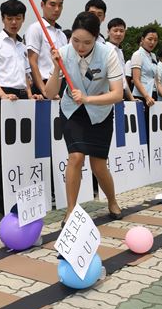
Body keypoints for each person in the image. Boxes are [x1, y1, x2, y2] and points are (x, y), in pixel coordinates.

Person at [45, 11, 124, 221]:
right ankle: (71, 210)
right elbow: (49, 93)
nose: (80, 47)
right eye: (76, 40)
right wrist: (55, 68)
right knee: (76, 157)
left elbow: (117, 94)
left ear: (97, 38)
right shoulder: (63, 52)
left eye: (87, 42)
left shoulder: (108, 54)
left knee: (98, 164)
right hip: (72, 110)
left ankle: (112, 200)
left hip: (100, 111)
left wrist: (88, 99)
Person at [0, 0, 41, 101]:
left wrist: (30, 95)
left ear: (23, 19)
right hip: (3, 94)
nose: (14, 22)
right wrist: (2, 95)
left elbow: (25, 75)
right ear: (2, 19)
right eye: (9, 19)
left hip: (22, 96)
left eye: (18, 18)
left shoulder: (23, 47)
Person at [25, 0, 68, 98]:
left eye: (60, 5)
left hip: (60, 85)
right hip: (43, 85)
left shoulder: (62, 35)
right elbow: (32, 62)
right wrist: (44, 91)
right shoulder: (35, 28)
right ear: (42, 5)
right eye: (52, 4)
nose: (57, 9)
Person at [105, 17, 134, 101]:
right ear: (108, 32)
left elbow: (123, 79)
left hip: (122, 94)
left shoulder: (120, 52)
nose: (118, 34)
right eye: (115, 30)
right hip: (111, 95)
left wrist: (132, 98)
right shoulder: (105, 49)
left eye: (121, 31)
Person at [131, 27, 159, 107]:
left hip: (153, 94)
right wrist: (146, 97)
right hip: (142, 96)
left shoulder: (153, 56)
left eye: (155, 40)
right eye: (150, 39)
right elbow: (136, 79)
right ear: (142, 39)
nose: (152, 42)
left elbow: (156, 79)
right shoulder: (137, 54)